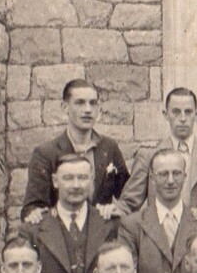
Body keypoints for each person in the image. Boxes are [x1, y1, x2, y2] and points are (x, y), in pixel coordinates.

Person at [20, 78, 130, 222]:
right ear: (65, 107)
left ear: (99, 108)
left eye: (93, 103)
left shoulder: (109, 148)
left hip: (101, 233)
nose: (87, 110)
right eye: (79, 103)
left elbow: (127, 197)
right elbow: (31, 208)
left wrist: (116, 209)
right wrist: (37, 214)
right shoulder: (46, 153)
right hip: (62, 235)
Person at [119, 86, 197, 227]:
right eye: (176, 112)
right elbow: (128, 204)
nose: (182, 118)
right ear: (165, 114)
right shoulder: (149, 156)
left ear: (196, 114)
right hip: (160, 239)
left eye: (188, 112)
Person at [29, 153, 126, 273]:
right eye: (68, 178)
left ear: (91, 180)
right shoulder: (33, 229)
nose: (76, 185)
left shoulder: (111, 224)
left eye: (82, 178)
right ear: (55, 181)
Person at [126, 148, 197, 273]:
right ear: (152, 178)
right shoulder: (132, 225)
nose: (170, 181)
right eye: (163, 174)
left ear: (185, 177)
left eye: (176, 173)